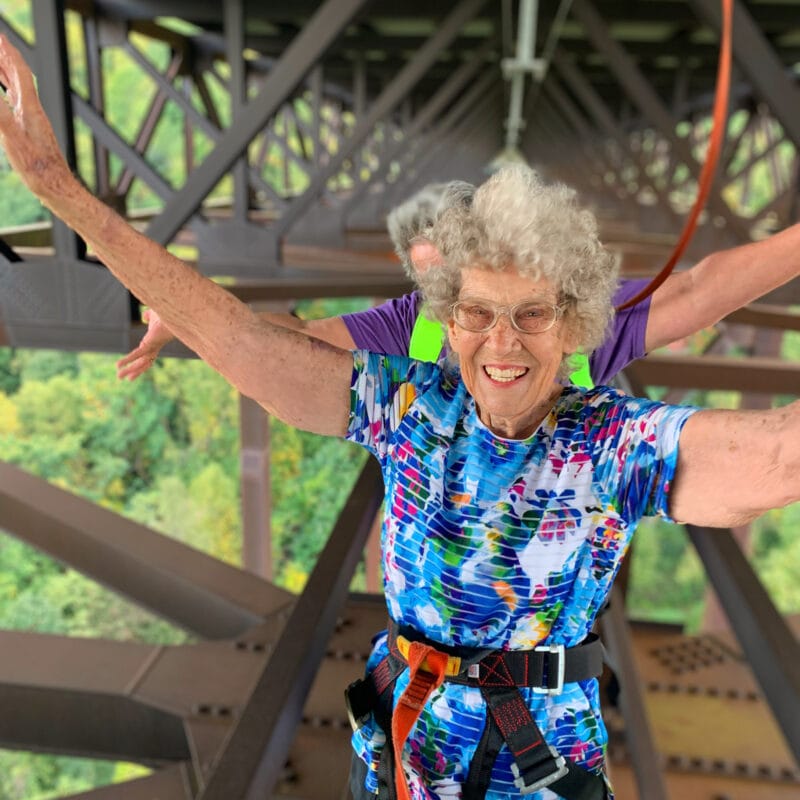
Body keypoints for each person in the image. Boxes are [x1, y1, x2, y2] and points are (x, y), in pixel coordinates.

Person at [1, 37, 799, 800]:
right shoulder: (404, 402)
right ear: (446, 319)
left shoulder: (612, 443)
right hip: (397, 752)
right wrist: (55, 187)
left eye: (530, 315)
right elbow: (252, 345)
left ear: (575, 322)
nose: (502, 342)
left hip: (533, 774)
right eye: (477, 314)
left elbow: (773, 456)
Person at [116, 178, 800, 387]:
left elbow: (695, 289)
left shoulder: (572, 306)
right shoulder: (406, 323)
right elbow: (294, 342)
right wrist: (187, 314)